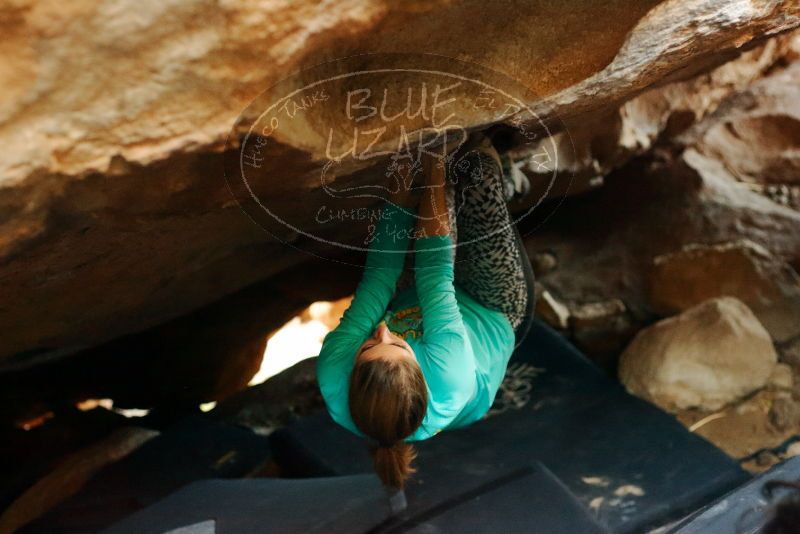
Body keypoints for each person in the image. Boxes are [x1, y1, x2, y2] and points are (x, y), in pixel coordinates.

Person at [317, 133, 534, 490]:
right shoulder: (451, 374)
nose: (383, 330)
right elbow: (435, 272)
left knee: (422, 205)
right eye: (400, 346)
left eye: (370, 346)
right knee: (472, 171)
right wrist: (434, 162)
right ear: (422, 369)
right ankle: (507, 178)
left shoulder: (333, 371)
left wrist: (402, 175)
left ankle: (449, 192)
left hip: (416, 297)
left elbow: (380, 275)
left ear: (354, 371)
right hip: (490, 307)